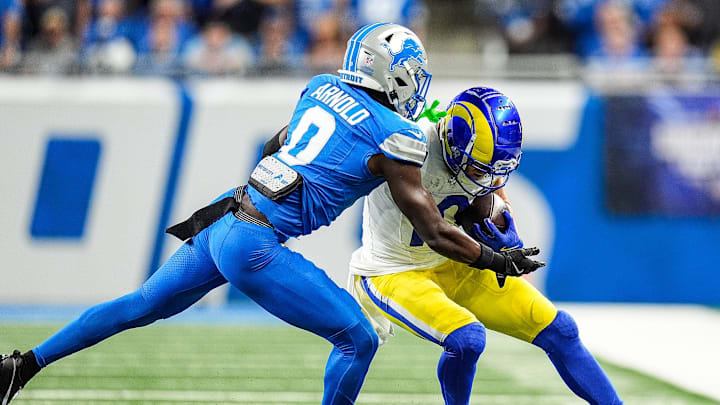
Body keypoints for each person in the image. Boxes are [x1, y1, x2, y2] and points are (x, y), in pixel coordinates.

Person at [0, 23, 544, 405]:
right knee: (359, 338)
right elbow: (432, 228)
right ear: (394, 75)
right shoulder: (395, 134)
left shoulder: (321, 87)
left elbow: (273, 145)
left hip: (227, 219)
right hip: (255, 243)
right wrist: (497, 257)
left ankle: (22, 366)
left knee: (139, 305)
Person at [348, 88, 624, 405]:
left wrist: (505, 230)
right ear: (452, 143)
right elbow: (437, 232)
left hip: (451, 264)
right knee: (467, 339)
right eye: (480, 168)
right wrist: (499, 260)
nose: (486, 177)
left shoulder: (475, 156)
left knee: (561, 330)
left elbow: (490, 189)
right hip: (394, 271)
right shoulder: (408, 146)